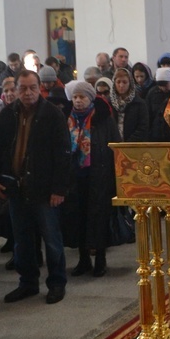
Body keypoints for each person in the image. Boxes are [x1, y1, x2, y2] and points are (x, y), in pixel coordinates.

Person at [0, 69, 71, 305]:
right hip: (16, 188)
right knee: (22, 240)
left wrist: (59, 189)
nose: (28, 93)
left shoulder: (52, 114)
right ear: (15, 90)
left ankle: (56, 283)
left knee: (51, 239)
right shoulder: (7, 114)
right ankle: (28, 283)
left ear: (39, 88)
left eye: (32, 88)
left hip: (45, 189)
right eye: (22, 88)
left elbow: (63, 154)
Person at [61, 80, 121, 279]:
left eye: (82, 97)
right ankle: (83, 258)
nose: (78, 101)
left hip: (98, 175)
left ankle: (100, 259)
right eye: (75, 97)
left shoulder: (103, 119)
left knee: (98, 218)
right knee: (78, 218)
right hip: (74, 177)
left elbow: (115, 146)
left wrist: (115, 177)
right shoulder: (67, 119)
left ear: (90, 98)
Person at [108, 66, 150, 142]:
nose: (121, 85)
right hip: (112, 145)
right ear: (114, 83)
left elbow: (143, 127)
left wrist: (128, 144)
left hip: (133, 145)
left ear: (130, 83)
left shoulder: (139, 104)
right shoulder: (108, 103)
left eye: (124, 82)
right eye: (118, 82)